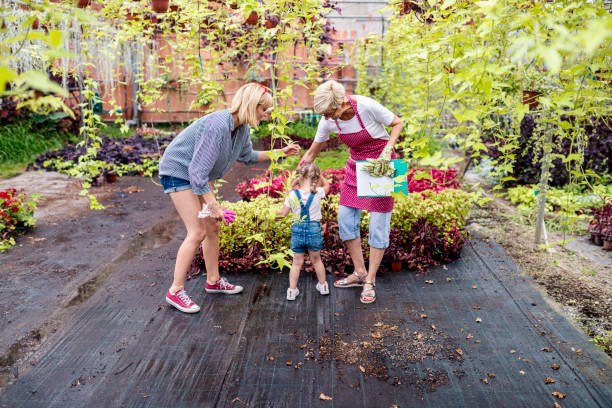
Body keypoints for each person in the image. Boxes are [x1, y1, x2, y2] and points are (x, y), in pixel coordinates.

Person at [159, 83, 301, 313]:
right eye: (264, 110)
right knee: (197, 231)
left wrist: (280, 153)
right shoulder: (218, 125)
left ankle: (213, 281)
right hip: (179, 173)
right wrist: (212, 203)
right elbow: (196, 173)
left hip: (198, 176)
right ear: (251, 105)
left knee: (212, 228)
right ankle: (175, 291)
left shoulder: (242, 128)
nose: (267, 115)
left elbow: (248, 156)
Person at [299, 80, 404, 304]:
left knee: (378, 224)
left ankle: (371, 280)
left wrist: (388, 151)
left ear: (343, 102)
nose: (327, 118)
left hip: (380, 165)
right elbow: (311, 153)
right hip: (355, 166)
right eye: (324, 114)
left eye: (330, 112)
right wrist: (297, 177)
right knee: (345, 219)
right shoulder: (328, 120)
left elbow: (397, 123)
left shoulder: (366, 106)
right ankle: (360, 273)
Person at [276, 162, 331, 300]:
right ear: (316, 178)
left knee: (296, 263)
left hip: (297, 231)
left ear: (299, 176)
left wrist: (272, 215)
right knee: (317, 260)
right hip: (314, 230)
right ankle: (323, 286)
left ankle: (292, 291)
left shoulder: (292, 195)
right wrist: (321, 176)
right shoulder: (318, 192)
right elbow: (327, 186)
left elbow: (282, 214)